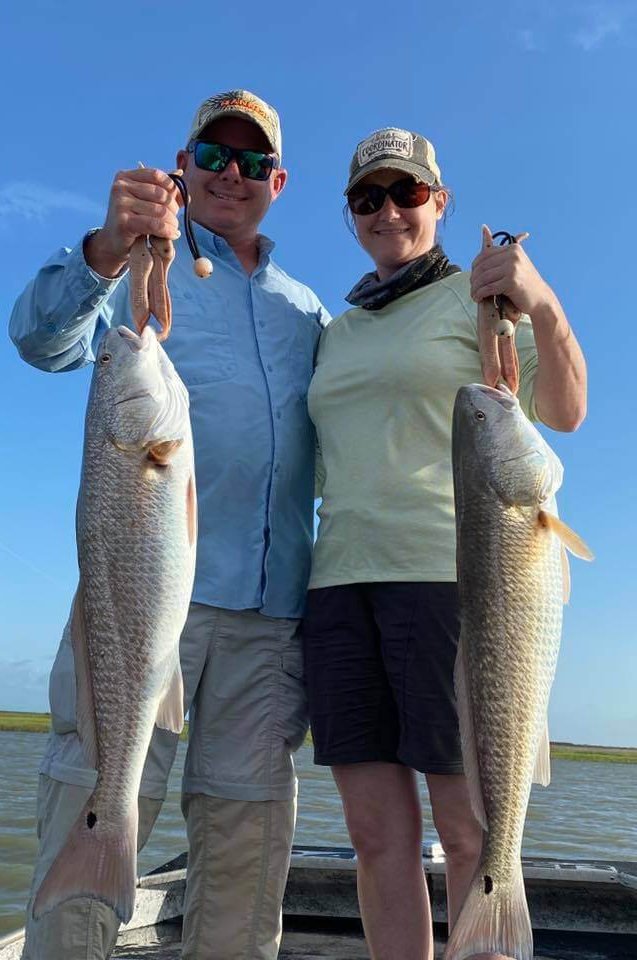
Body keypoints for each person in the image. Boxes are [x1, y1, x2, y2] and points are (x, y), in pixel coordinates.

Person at [9, 89, 329, 960]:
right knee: (93, 800)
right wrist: (105, 251)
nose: (234, 175)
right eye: (215, 157)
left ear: (279, 182)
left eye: (254, 162)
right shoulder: (136, 268)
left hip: (272, 623)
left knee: (246, 853)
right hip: (137, 601)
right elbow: (41, 341)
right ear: (181, 164)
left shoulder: (309, 311)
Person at [302, 127, 587, 960]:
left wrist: (543, 302)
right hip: (338, 587)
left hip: (454, 580)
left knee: (471, 832)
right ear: (350, 213)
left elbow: (564, 412)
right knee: (375, 836)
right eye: (367, 197)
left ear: (440, 202)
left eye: (407, 193)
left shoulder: (481, 300)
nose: (388, 209)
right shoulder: (339, 329)